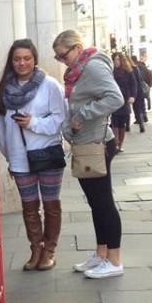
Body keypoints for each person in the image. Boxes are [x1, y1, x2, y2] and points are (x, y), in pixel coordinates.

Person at [53, 30, 124, 279]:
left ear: (77, 47)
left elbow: (116, 98)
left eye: (64, 55)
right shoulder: (78, 71)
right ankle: (101, 254)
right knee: (96, 204)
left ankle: (114, 260)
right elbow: (75, 105)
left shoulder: (92, 67)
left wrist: (83, 115)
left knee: (103, 202)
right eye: (58, 57)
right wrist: (69, 125)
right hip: (86, 144)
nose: (62, 61)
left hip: (97, 144)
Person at [0, 39, 66, 271]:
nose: (22, 63)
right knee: (29, 207)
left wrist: (33, 123)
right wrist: (9, 155)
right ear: (11, 61)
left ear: (35, 60)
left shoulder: (50, 85)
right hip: (19, 157)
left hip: (47, 154)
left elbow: (59, 120)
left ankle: (49, 250)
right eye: (17, 59)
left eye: (27, 58)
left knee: (50, 204)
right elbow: (0, 127)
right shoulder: (4, 89)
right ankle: (35, 248)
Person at [110, 52, 137, 152]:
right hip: (113, 100)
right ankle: (115, 144)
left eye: (117, 59)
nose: (116, 61)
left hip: (124, 100)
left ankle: (120, 145)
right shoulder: (110, 71)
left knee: (122, 124)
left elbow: (134, 85)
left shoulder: (128, 71)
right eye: (114, 59)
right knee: (114, 122)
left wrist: (132, 96)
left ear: (121, 60)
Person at [130, 57, 147, 133]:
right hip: (140, 90)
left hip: (134, 91)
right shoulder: (136, 68)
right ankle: (142, 122)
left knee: (136, 108)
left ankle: (140, 121)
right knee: (140, 106)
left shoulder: (130, 69)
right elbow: (140, 79)